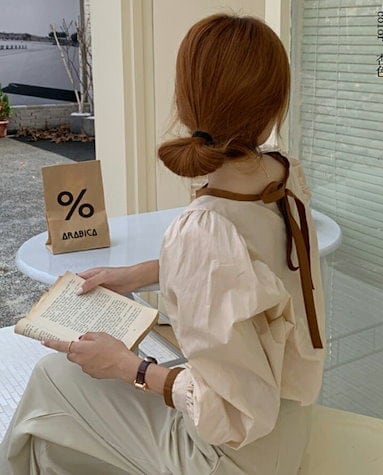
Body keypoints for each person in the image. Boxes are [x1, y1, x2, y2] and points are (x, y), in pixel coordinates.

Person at [0, 13, 325, 474]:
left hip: (231, 456)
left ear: (185, 103)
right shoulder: (284, 181)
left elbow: (236, 414)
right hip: (291, 424)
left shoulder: (205, 228)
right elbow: (249, 272)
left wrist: (129, 368)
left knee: (51, 380)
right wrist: (137, 274)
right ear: (276, 105)